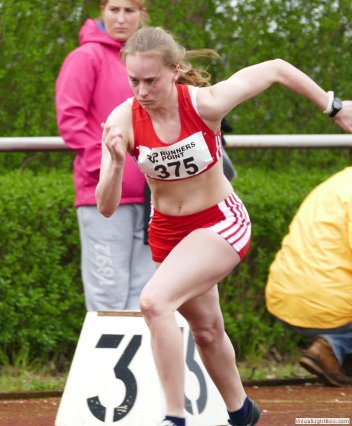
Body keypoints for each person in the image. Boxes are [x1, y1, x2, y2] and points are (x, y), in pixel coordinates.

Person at [95, 26, 352, 426]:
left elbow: (276, 68)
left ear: (175, 71)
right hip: (168, 233)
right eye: (134, 81)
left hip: (220, 222)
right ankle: (241, 411)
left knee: (154, 303)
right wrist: (113, 164)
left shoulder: (206, 104)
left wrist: (334, 107)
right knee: (207, 331)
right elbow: (106, 207)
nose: (142, 91)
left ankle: (173, 417)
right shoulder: (122, 119)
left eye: (151, 81)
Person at [55, 0, 155, 312]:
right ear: (102, 10)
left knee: (148, 297)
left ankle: (145, 350)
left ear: (142, 14)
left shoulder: (151, 61)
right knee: (108, 299)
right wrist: (108, 169)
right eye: (114, 10)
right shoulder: (85, 57)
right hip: (104, 198)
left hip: (154, 197)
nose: (121, 19)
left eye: (129, 11)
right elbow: (70, 119)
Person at [265, 167, 352, 387]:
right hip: (328, 303)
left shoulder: (338, 181)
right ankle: (334, 346)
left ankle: (338, 352)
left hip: (284, 297)